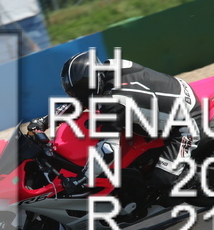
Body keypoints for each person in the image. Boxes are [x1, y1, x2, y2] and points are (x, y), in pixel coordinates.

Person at [27, 51, 201, 198]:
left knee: (163, 182)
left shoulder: (115, 102)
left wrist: (81, 179)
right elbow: (80, 102)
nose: (76, 97)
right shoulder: (109, 67)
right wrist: (46, 121)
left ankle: (199, 181)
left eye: (78, 91)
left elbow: (108, 150)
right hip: (174, 92)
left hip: (185, 124)